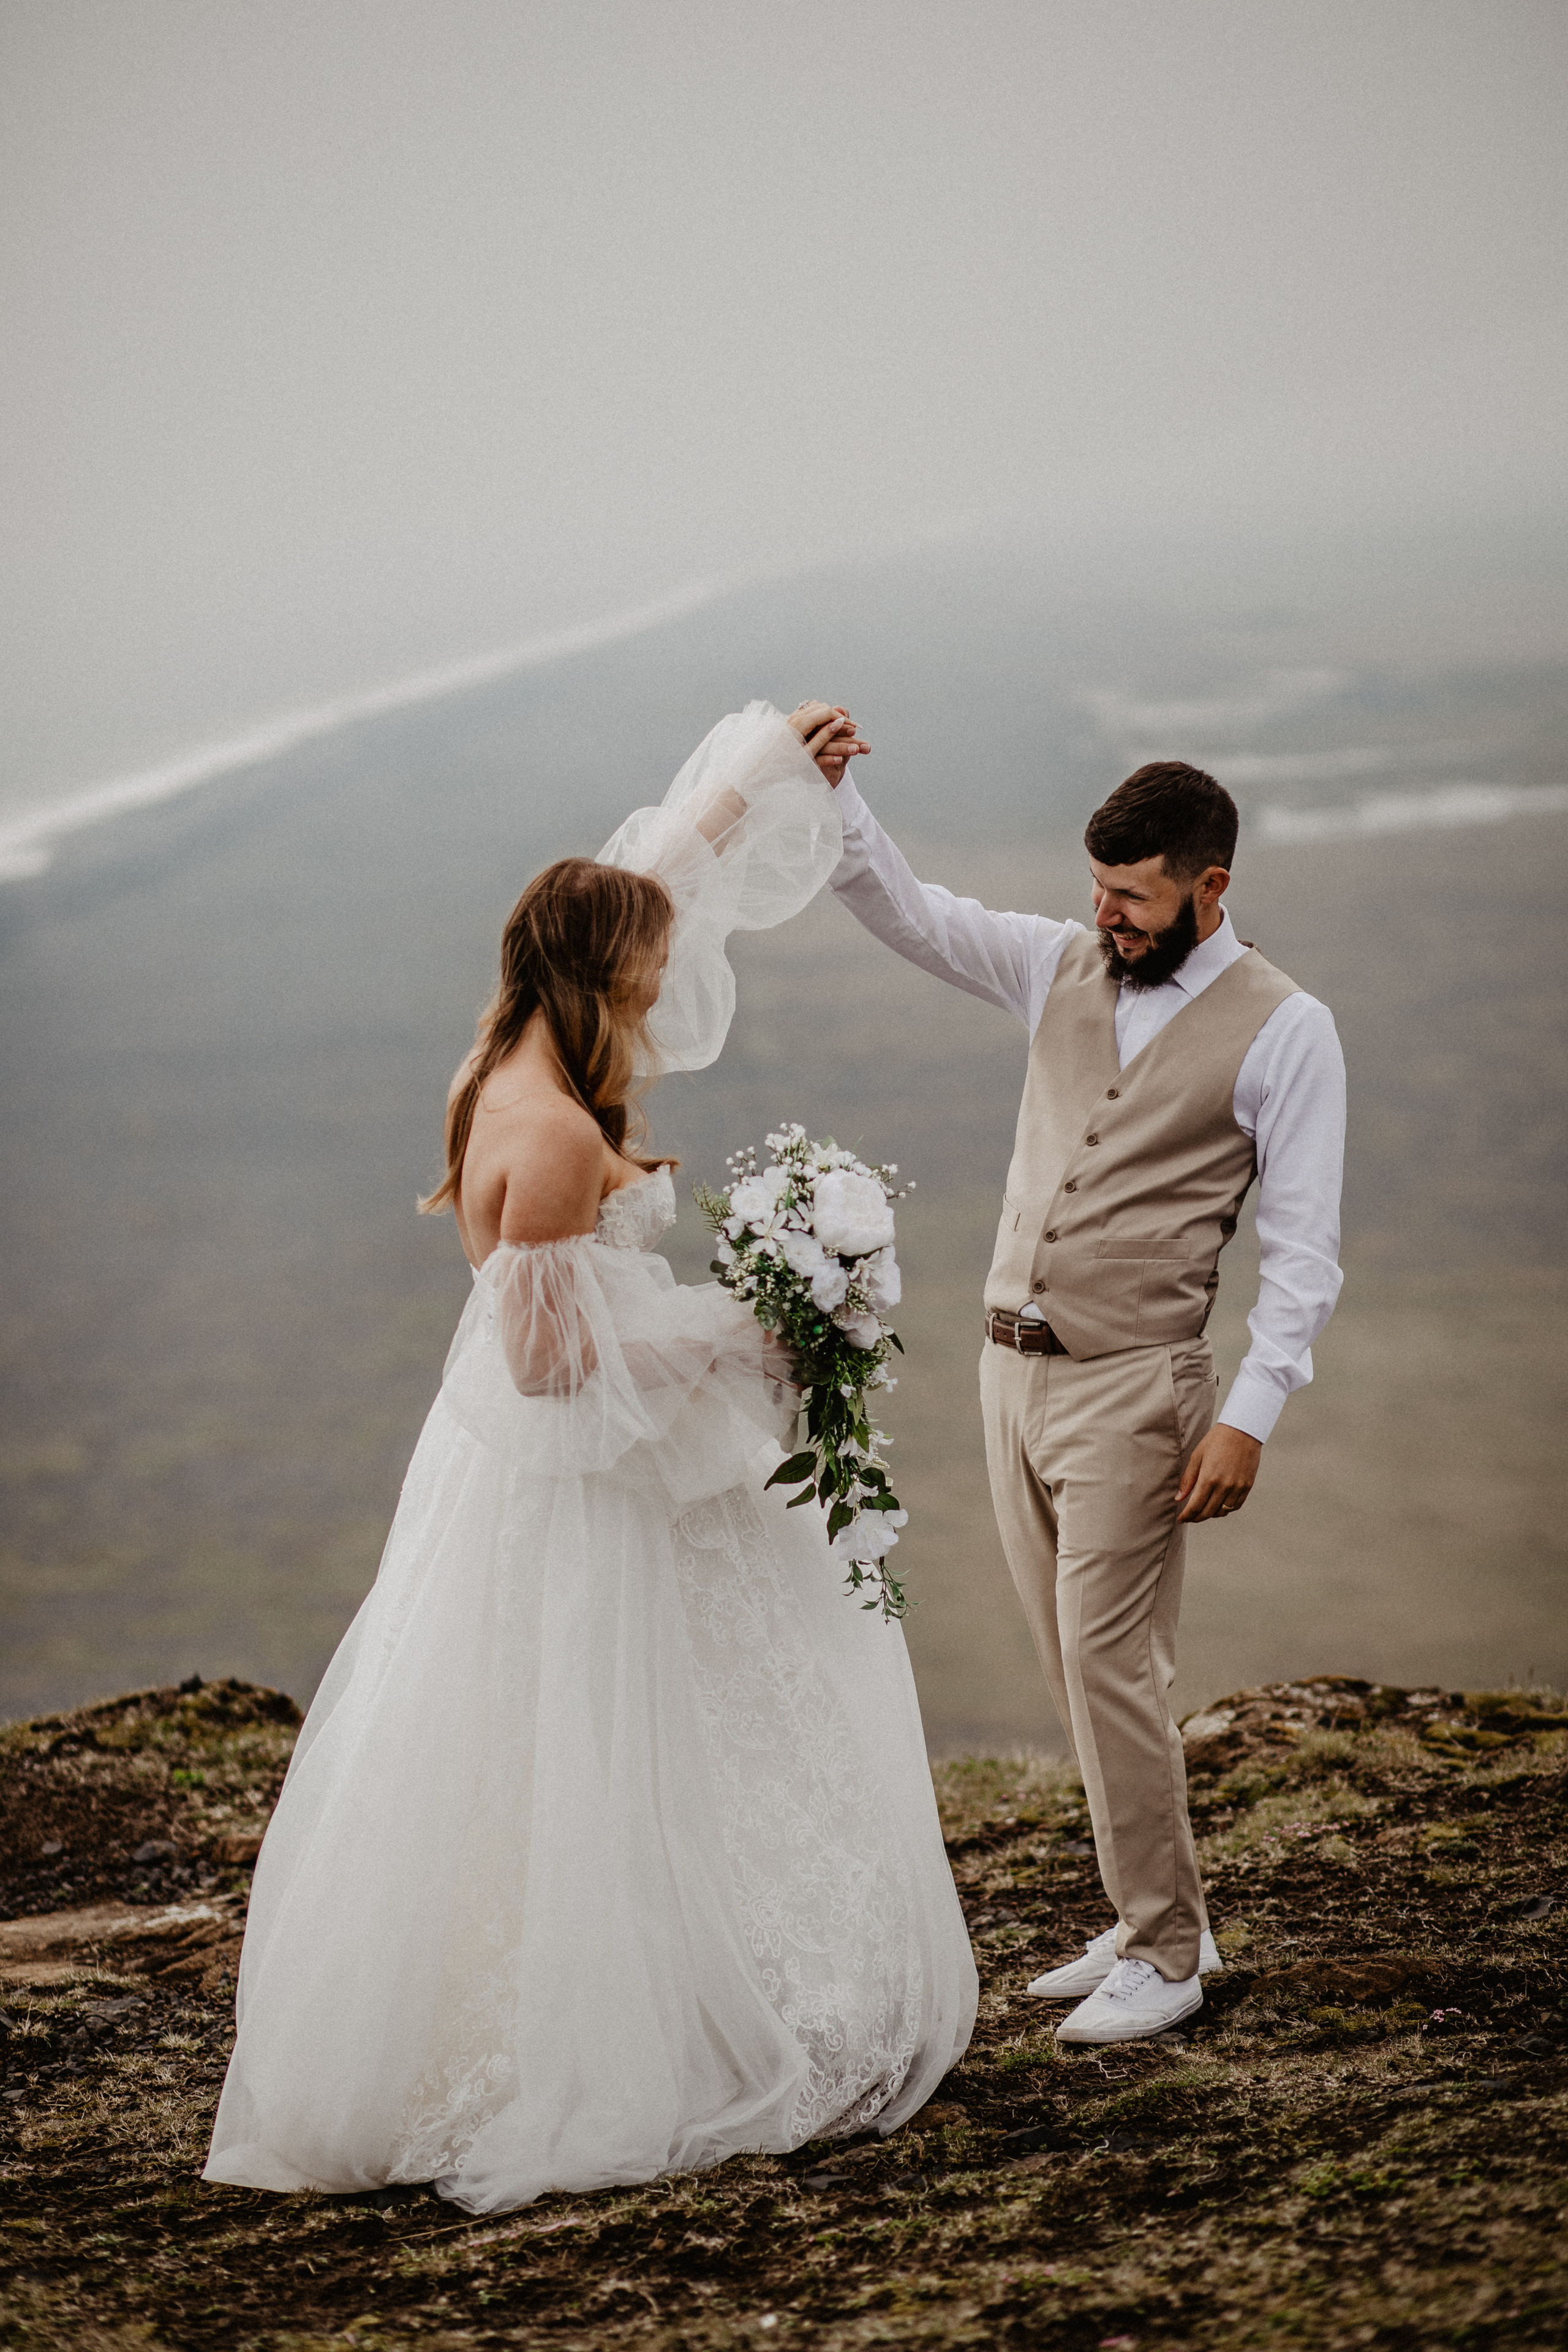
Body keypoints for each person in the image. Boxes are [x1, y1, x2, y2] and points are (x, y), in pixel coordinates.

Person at [203, 700, 976, 2213]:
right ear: (599, 977)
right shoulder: (551, 1132)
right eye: (647, 968)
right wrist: (751, 1332)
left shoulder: (500, 1046)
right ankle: (614, 2042)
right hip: (579, 1489)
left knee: (598, 1753)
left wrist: (760, 783)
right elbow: (549, 1359)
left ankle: (659, 1987)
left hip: (552, 1477)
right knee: (598, 1750)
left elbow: (653, 874)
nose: (668, 979)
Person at [799, 703, 1346, 2045]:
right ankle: (1152, 1907)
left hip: (1136, 1387)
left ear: (1210, 886)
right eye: (1096, 889)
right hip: (1008, 1376)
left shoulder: (1288, 1032)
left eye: (1134, 897)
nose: (1105, 915)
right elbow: (914, 915)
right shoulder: (1054, 963)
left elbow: (1304, 1254)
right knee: (1067, 1659)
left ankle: (1164, 1952)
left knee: (1107, 1662)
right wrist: (832, 806)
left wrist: (1248, 1415)